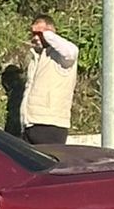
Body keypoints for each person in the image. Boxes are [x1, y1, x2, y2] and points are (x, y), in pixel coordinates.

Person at [19, 17, 79, 146]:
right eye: (33, 34)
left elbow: (72, 52)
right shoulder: (36, 57)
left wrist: (47, 34)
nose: (35, 38)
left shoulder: (62, 58)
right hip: (30, 124)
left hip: (51, 126)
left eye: (39, 34)